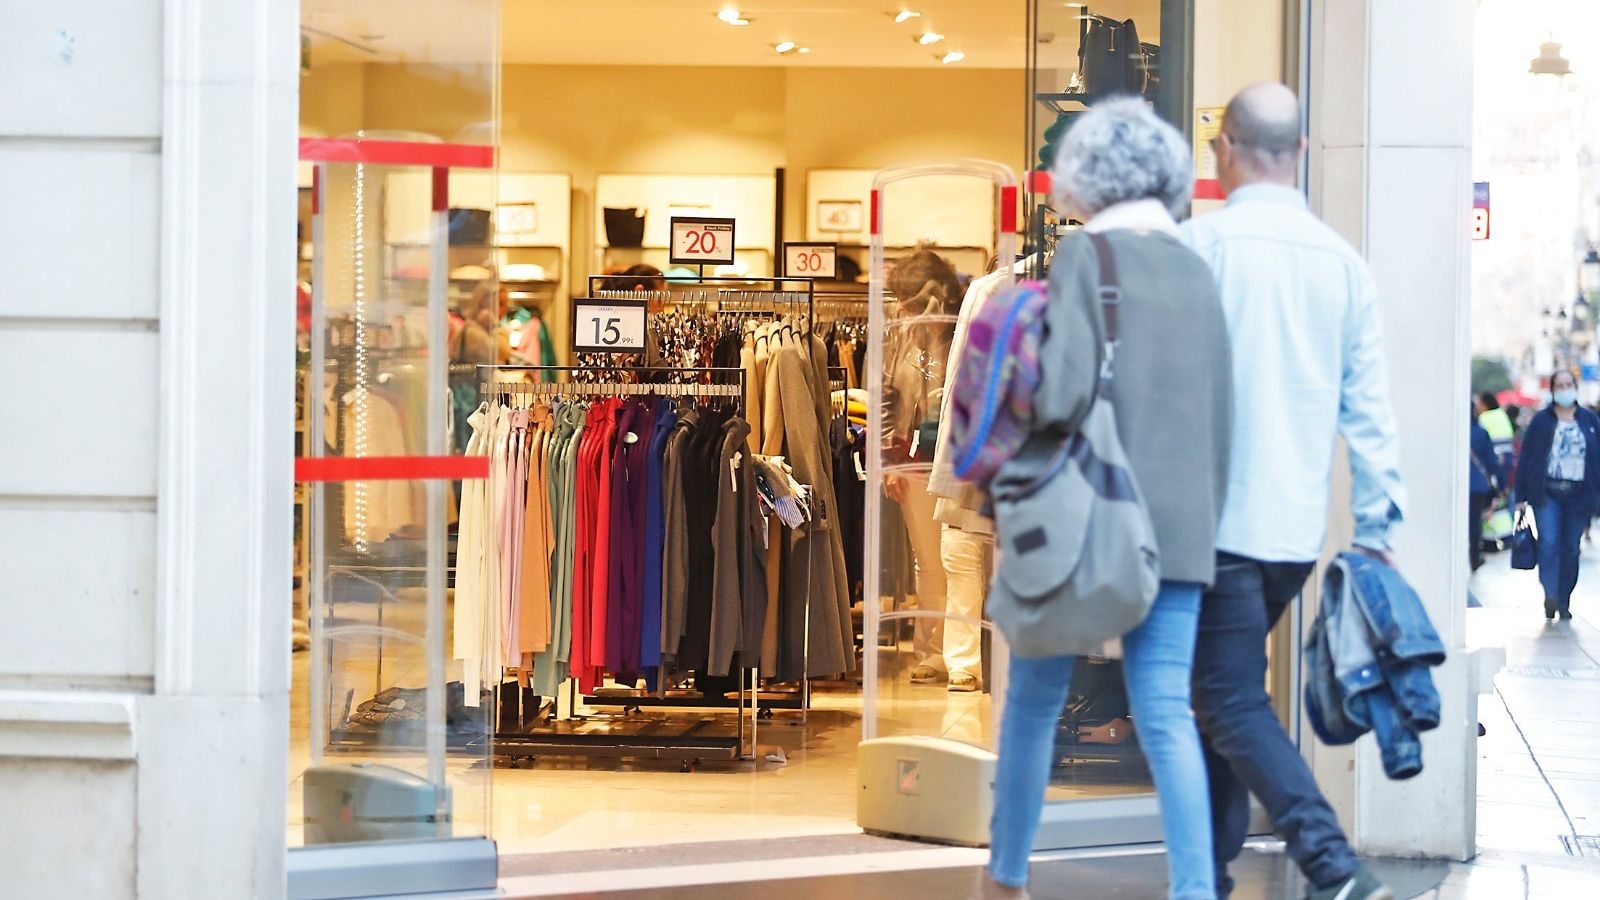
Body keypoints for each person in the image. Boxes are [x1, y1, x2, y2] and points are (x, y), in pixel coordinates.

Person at [985, 97, 1232, 900]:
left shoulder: (1087, 258)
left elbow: (1060, 397)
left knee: (1032, 703)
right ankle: (1195, 888)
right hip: (1183, 526)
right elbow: (1222, 411)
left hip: (1086, 523)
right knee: (1165, 709)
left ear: (1084, 180)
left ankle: (1007, 875)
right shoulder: (1199, 265)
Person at [1180, 83, 1404, 900]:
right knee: (1218, 689)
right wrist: (1377, 526)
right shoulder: (1343, 264)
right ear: (1301, 154)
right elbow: (1371, 411)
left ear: (1225, 148)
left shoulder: (1200, 249)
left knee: (1225, 694)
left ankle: (1331, 864)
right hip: (1292, 534)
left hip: (1214, 523)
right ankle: (1206, 872)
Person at [1513, 369, 1600, 620]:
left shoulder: (1590, 421)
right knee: (1549, 542)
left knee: (1571, 548)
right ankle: (1550, 594)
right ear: (1552, 390)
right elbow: (1527, 457)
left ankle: (1564, 599)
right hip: (1547, 492)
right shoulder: (1541, 421)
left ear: (1575, 387)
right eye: (1559, 385)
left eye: (1568, 384)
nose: (1564, 389)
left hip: (1580, 495)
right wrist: (1520, 496)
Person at [1469, 410, 1499, 572]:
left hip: (1458, 484)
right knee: (1475, 523)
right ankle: (1474, 557)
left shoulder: (1454, 430)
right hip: (1478, 485)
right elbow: (1491, 461)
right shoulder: (1480, 432)